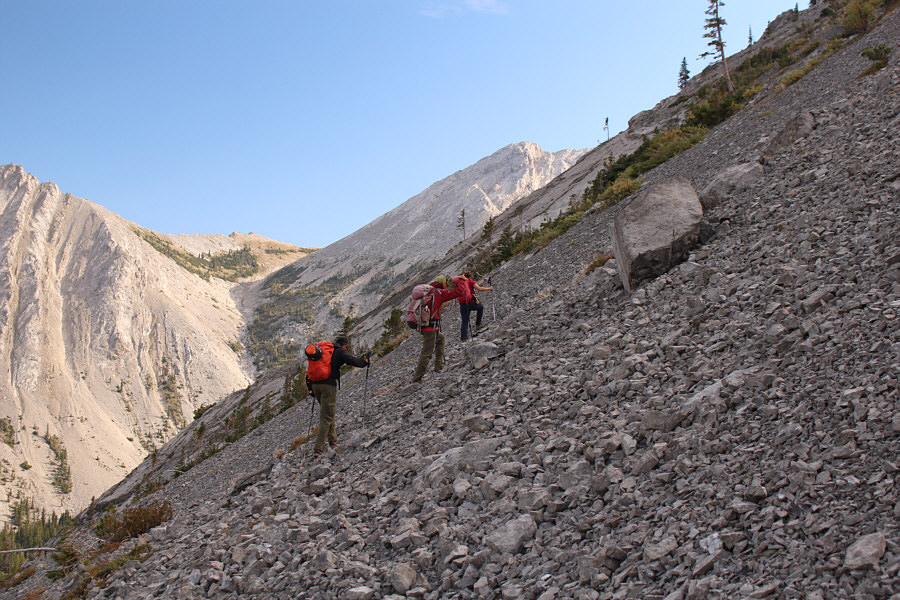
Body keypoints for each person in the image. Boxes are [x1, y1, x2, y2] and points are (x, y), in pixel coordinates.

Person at [306, 335, 370, 458]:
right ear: (345, 345)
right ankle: (318, 449)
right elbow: (351, 360)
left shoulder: (323, 352)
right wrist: (364, 363)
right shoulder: (340, 351)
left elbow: (308, 374)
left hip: (315, 386)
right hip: (328, 386)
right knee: (326, 417)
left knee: (328, 412)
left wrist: (311, 391)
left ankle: (333, 441)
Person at [412, 274, 470, 383]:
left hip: (424, 325)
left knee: (440, 338)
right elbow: (457, 293)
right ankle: (417, 379)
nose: (447, 285)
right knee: (426, 352)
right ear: (443, 283)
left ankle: (439, 366)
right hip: (430, 327)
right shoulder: (439, 293)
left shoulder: (428, 291)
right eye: (446, 283)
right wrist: (462, 281)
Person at [459, 270, 493, 341]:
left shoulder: (460, 283)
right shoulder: (471, 282)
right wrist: (489, 288)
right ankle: (478, 324)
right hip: (471, 302)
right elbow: (479, 289)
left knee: (465, 321)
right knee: (480, 307)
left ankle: (463, 338)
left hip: (462, 304)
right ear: (470, 276)